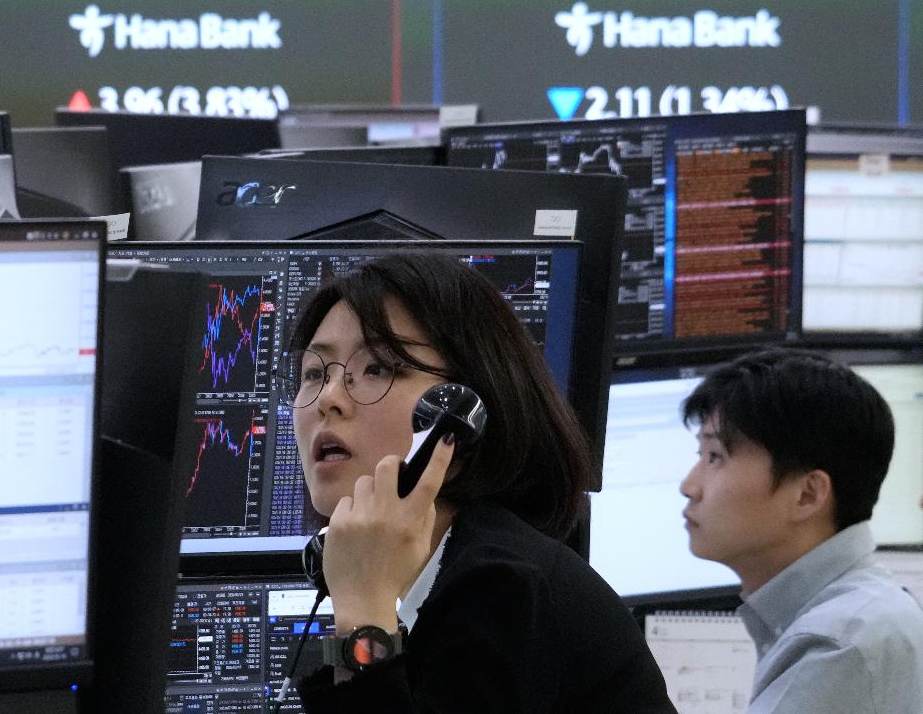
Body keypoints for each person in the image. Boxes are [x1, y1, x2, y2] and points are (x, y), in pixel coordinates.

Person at [283, 252, 673, 712]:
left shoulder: (501, 588)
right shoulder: (450, 571)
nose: (328, 398)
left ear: (456, 413)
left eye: (378, 368)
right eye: (314, 373)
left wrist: (363, 610)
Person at [679, 348, 923, 713]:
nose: (689, 485)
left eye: (716, 457)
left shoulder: (842, 641)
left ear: (808, 495)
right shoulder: (855, 615)